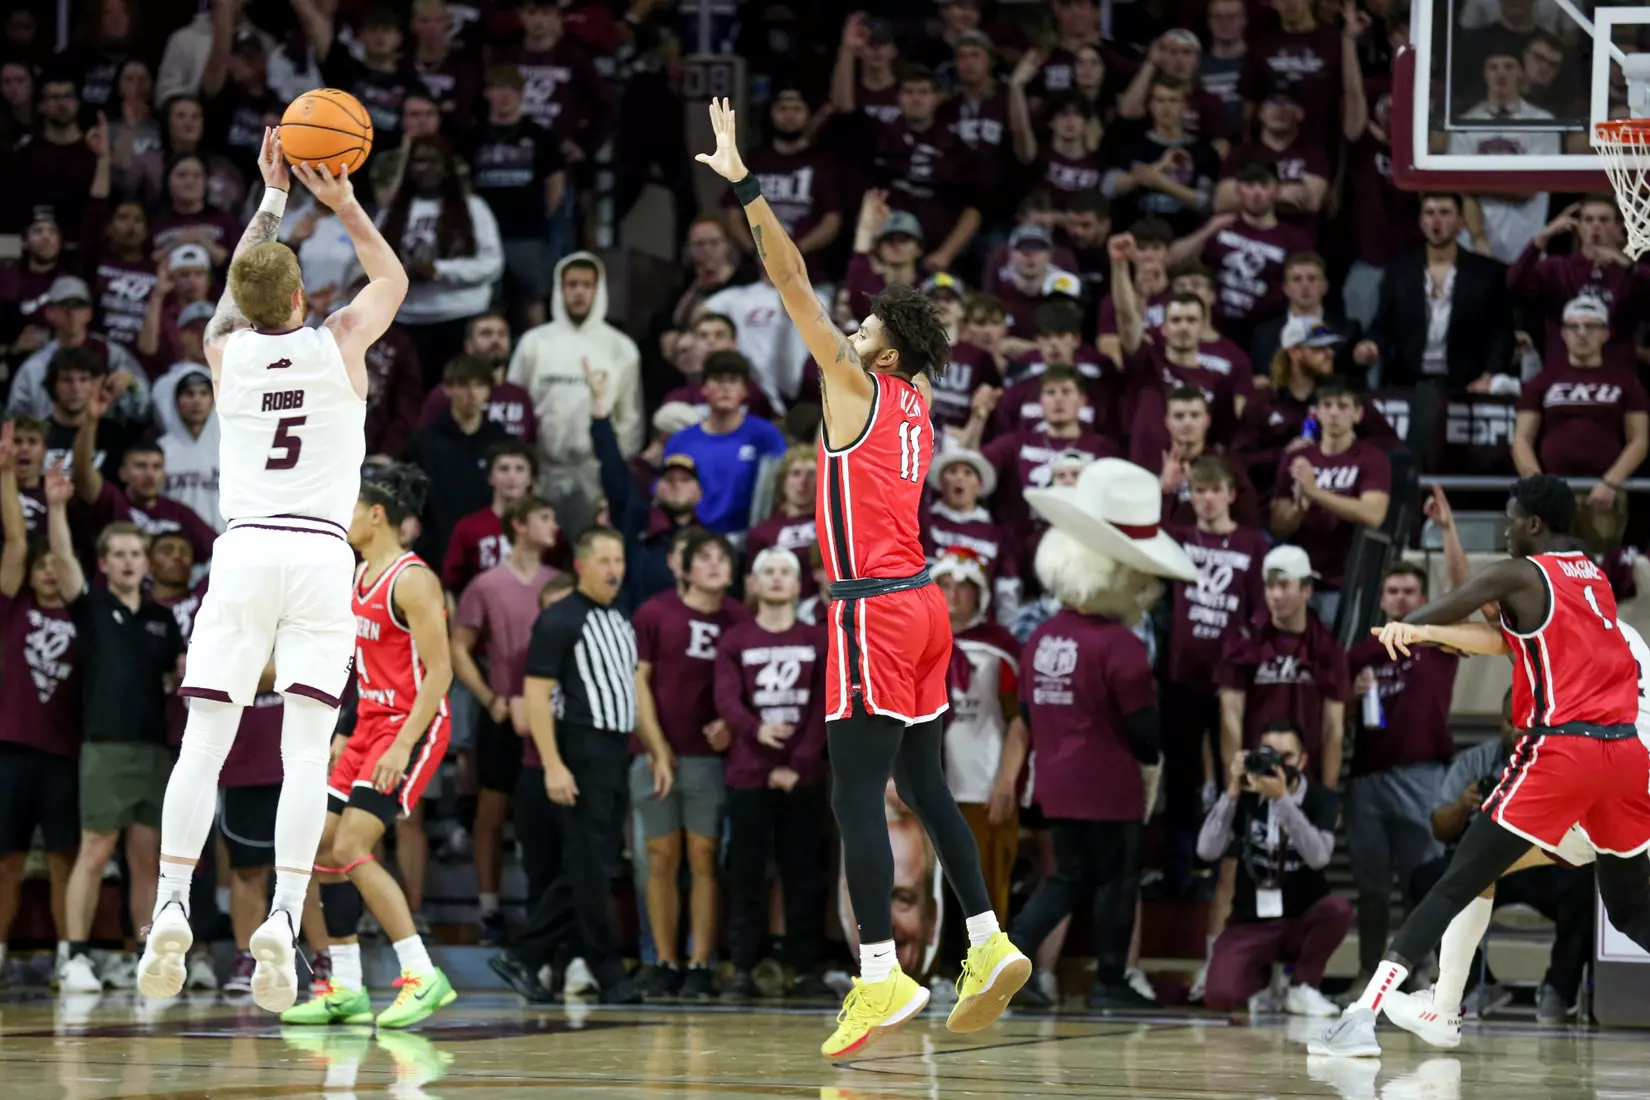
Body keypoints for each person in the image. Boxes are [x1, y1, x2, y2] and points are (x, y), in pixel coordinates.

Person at [698, 97, 1029, 1057]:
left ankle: (880, 975)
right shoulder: (923, 396)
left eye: (864, 323)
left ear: (878, 350)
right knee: (924, 787)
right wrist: (884, 256)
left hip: (870, 615)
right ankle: (985, 938)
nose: (848, 325)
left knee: (853, 799)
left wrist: (745, 184)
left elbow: (791, 277)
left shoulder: (852, 382)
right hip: (930, 608)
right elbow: (890, 315)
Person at [135, 130, 406, 1014]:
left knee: (204, 741)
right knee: (301, 756)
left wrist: (271, 196)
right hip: (321, 554)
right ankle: (286, 919)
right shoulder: (337, 343)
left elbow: (234, 294)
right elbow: (394, 282)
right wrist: (343, 203)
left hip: (244, 547)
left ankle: (171, 903)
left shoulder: (226, 351)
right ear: (301, 292)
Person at [1311, 476, 1650, 1057]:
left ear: (1534, 525)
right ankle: (1442, 1009)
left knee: (1456, 877)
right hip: (1625, 762)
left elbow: (1471, 600)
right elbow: (1500, 640)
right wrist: (1425, 632)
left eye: (1511, 519)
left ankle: (1361, 1018)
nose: (1505, 529)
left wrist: (1408, 622)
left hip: (1565, 756)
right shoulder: (1593, 581)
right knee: (1628, 911)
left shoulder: (1524, 572)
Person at [280, 467, 456, 1029]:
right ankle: (347, 987)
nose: (341, 519)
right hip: (369, 723)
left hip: (412, 725)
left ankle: (421, 974)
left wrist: (402, 746)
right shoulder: (358, 575)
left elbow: (441, 672)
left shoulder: (413, 579)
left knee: (353, 842)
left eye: (348, 509)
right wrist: (344, 731)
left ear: (376, 514)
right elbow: (360, 668)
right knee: (323, 844)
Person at [486, 528, 647, 1005]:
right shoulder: (559, 619)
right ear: (581, 566)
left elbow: (631, 689)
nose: (613, 567)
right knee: (590, 865)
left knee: (591, 864)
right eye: (603, 559)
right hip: (582, 748)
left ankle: (526, 956)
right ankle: (608, 970)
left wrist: (654, 748)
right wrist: (553, 764)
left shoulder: (619, 615)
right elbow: (536, 695)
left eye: (618, 558)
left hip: (616, 750)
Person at [60, 521, 184, 993]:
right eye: (120, 554)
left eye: (137, 553)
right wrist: (56, 509)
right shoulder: (91, 606)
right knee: (95, 851)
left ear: (146, 562)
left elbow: (174, 677)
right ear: (104, 563)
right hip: (105, 746)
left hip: (152, 746)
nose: (130, 561)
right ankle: (74, 955)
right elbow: (66, 564)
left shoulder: (162, 619)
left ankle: (142, 954)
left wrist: (181, 674)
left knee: (145, 859)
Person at [631, 530, 748, 997]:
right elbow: (638, 683)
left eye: (723, 557)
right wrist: (657, 747)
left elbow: (748, 684)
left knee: (703, 858)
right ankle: (664, 959)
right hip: (655, 755)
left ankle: (701, 962)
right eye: (706, 558)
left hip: (709, 760)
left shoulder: (739, 618)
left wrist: (731, 723)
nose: (716, 565)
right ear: (684, 568)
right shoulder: (655, 612)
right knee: (659, 858)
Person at [715, 547, 829, 999]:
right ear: (755, 584)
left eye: (786, 572)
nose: (778, 579)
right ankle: (743, 966)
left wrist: (799, 762)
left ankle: (804, 969)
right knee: (746, 876)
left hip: (803, 779)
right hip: (748, 775)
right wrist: (756, 729)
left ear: (798, 583)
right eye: (769, 572)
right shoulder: (735, 640)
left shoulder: (818, 638)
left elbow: (825, 704)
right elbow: (726, 700)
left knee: (804, 876)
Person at [450, 496, 560, 945]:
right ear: (520, 524)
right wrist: (487, 696)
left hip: (550, 714)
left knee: (545, 812)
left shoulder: (558, 583)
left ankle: (547, 910)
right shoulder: (487, 583)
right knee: (491, 812)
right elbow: (458, 646)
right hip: (502, 711)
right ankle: (489, 910)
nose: (554, 525)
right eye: (546, 516)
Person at [1197, 721, 1349, 1015]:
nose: (1277, 763)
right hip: (1251, 920)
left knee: (1338, 910)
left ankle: (1303, 987)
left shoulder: (1322, 798)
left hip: (1302, 917)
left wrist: (1283, 802)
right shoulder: (1245, 794)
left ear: (1303, 760)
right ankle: (1263, 983)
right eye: (1269, 753)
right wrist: (1232, 790)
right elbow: (1206, 850)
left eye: (1287, 756)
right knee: (1219, 997)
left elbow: (1319, 857)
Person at [0, 447, 82, 984]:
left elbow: (65, 557)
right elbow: (13, 541)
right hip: (11, 751)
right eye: (41, 564)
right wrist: (8, 475)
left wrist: (58, 514)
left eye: (55, 562)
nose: (49, 570)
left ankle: (66, 957)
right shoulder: (12, 607)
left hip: (66, 756)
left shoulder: (83, 611)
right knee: (5, 861)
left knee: (61, 861)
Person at [1268, 377, 1392, 624]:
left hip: (1346, 579)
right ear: (1316, 413)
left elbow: (1374, 514)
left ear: (1357, 414)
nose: (1334, 413)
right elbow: (1278, 526)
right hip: (1298, 578)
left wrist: (1315, 493)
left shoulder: (1371, 458)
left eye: (1343, 406)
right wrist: (1297, 510)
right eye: (1327, 405)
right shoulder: (1298, 457)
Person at [662, 352, 788, 535]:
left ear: (745, 391)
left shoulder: (765, 435)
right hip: (693, 535)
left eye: (733, 381)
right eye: (718, 380)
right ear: (704, 388)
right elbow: (666, 492)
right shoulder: (681, 441)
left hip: (751, 535)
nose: (726, 388)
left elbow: (780, 486)